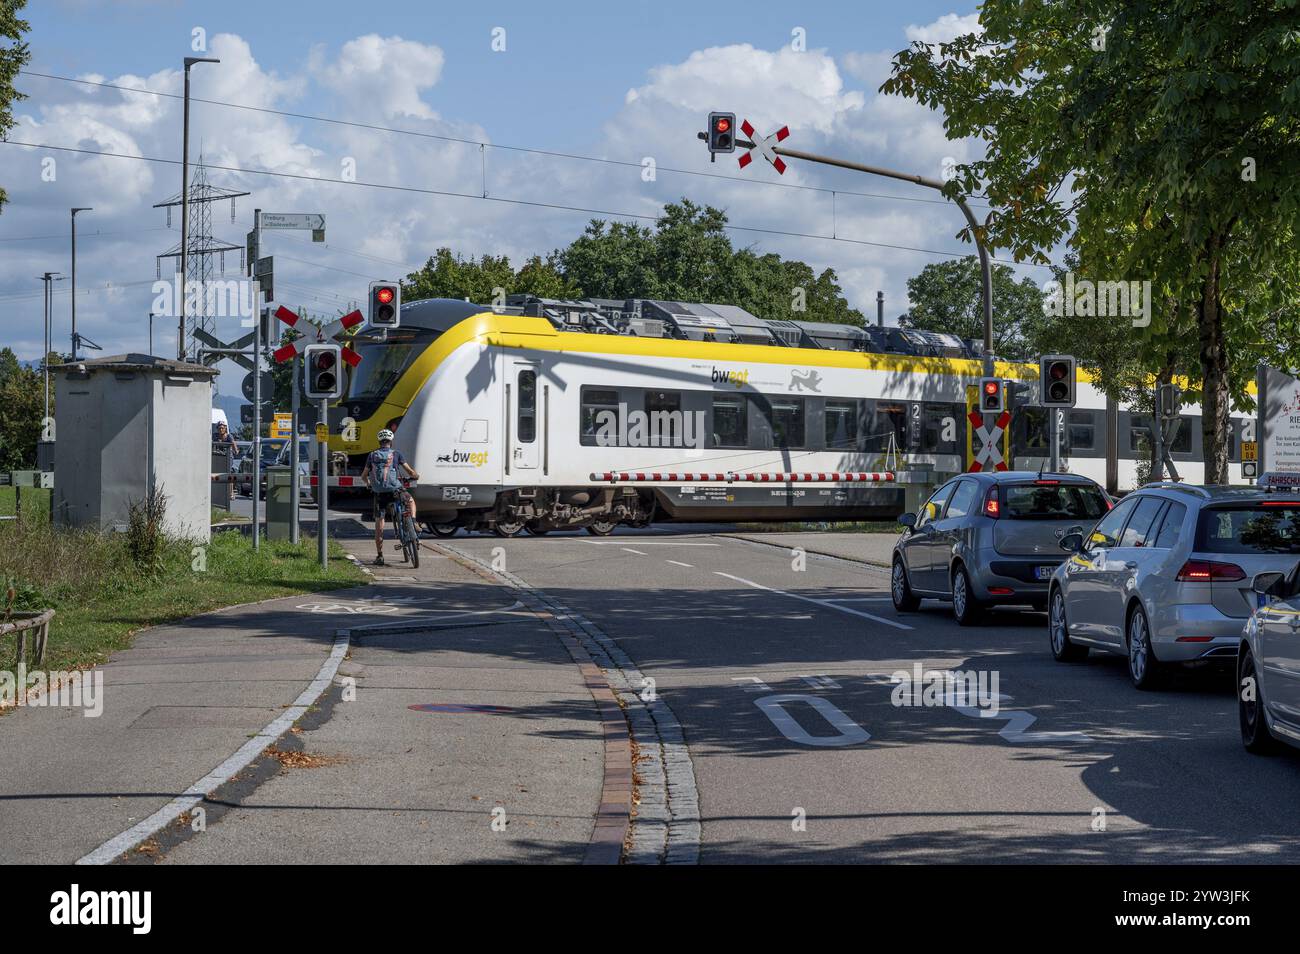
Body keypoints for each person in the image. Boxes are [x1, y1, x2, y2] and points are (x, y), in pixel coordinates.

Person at [361, 429, 419, 566]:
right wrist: (415, 475)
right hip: (395, 490)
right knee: (410, 501)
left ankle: (380, 556)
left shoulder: (372, 455)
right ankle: (414, 522)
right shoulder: (396, 454)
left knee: (379, 523)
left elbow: (364, 476)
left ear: (379, 441)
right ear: (391, 441)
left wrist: (369, 484)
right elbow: (410, 471)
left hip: (380, 493)